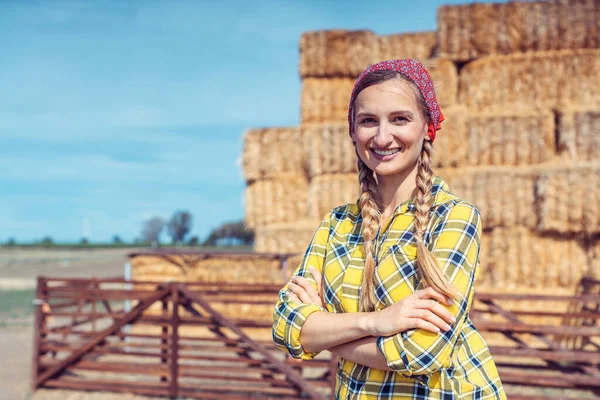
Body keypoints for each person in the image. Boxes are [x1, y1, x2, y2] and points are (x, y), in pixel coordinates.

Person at [272, 59, 506, 399]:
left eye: (400, 118)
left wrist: (325, 333)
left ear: (427, 125)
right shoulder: (336, 224)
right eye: (368, 121)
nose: (383, 136)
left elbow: (424, 351)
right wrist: (376, 322)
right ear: (352, 131)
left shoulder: (454, 217)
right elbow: (284, 325)